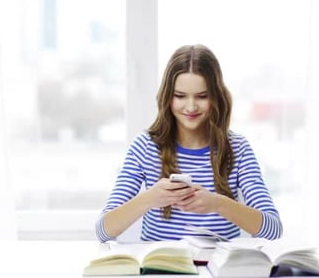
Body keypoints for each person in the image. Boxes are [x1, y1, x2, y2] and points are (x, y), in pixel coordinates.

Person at [96, 44, 282, 242]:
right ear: (168, 97)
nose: (191, 106)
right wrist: (150, 199)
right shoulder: (146, 147)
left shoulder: (237, 149)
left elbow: (273, 229)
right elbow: (103, 230)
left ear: (216, 97)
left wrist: (218, 204)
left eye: (202, 96)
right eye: (180, 96)